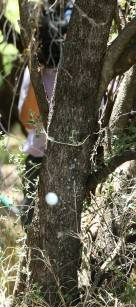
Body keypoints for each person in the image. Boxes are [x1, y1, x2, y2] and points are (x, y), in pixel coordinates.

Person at [18, 1, 73, 226]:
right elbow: (28, 121)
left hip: (76, 161)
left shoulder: (86, 71)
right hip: (40, 161)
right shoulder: (36, 71)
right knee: (33, 226)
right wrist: (37, 74)